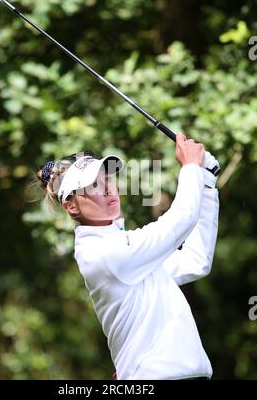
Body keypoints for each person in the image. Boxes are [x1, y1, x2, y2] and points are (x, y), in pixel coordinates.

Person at [36, 134, 220, 380]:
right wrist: (190, 168)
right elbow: (180, 221)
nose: (108, 189)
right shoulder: (105, 253)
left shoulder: (126, 250)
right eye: (93, 186)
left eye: (107, 179)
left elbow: (195, 262)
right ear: (71, 205)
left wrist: (206, 185)